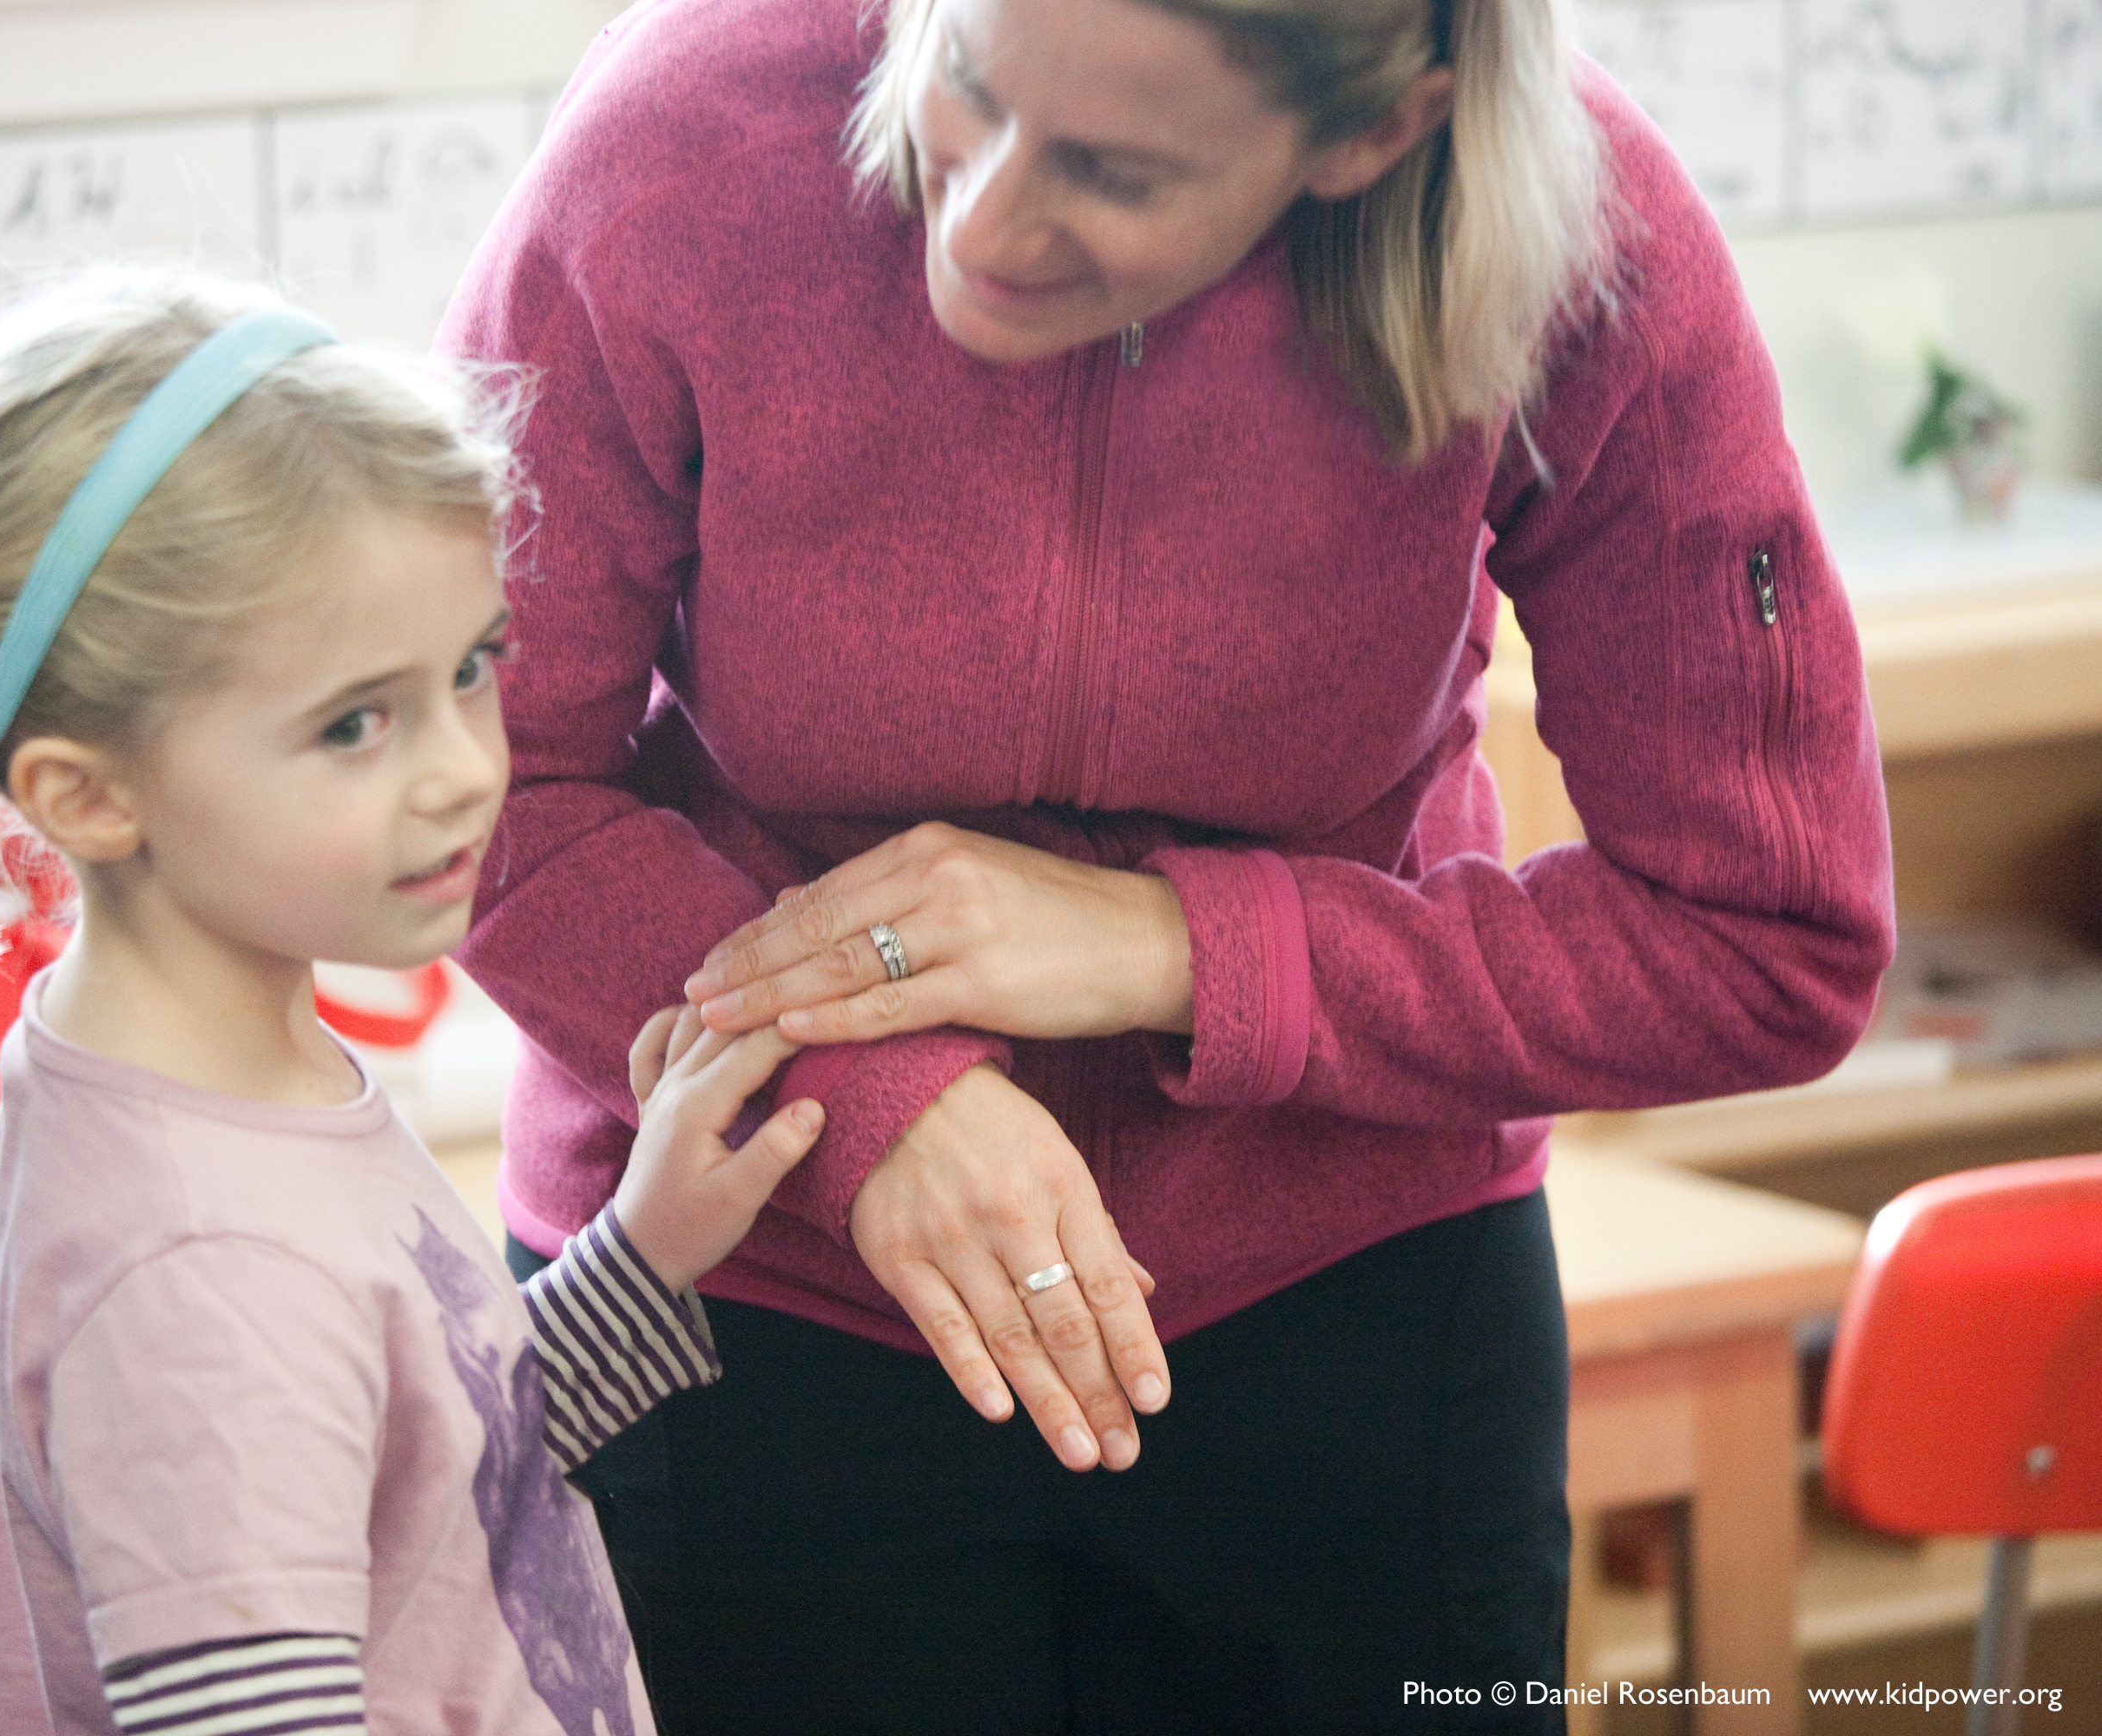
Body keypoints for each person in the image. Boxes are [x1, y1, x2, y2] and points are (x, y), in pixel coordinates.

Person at [440, 0, 1894, 1727]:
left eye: (1116, 174)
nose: (975, 227)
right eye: (960, 89)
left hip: (1351, 1320)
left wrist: (1169, 950)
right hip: (743, 1300)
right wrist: (864, 1088)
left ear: (1371, 142)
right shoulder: (677, 140)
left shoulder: (1585, 251)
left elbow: (1766, 932)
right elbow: (480, 788)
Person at [0, 268, 829, 1736]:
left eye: (470, 670)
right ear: (90, 792)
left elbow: (427, 1475)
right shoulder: (197, 1264)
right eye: (354, 723)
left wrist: (640, 1254)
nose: (465, 765)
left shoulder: (222, 1074)